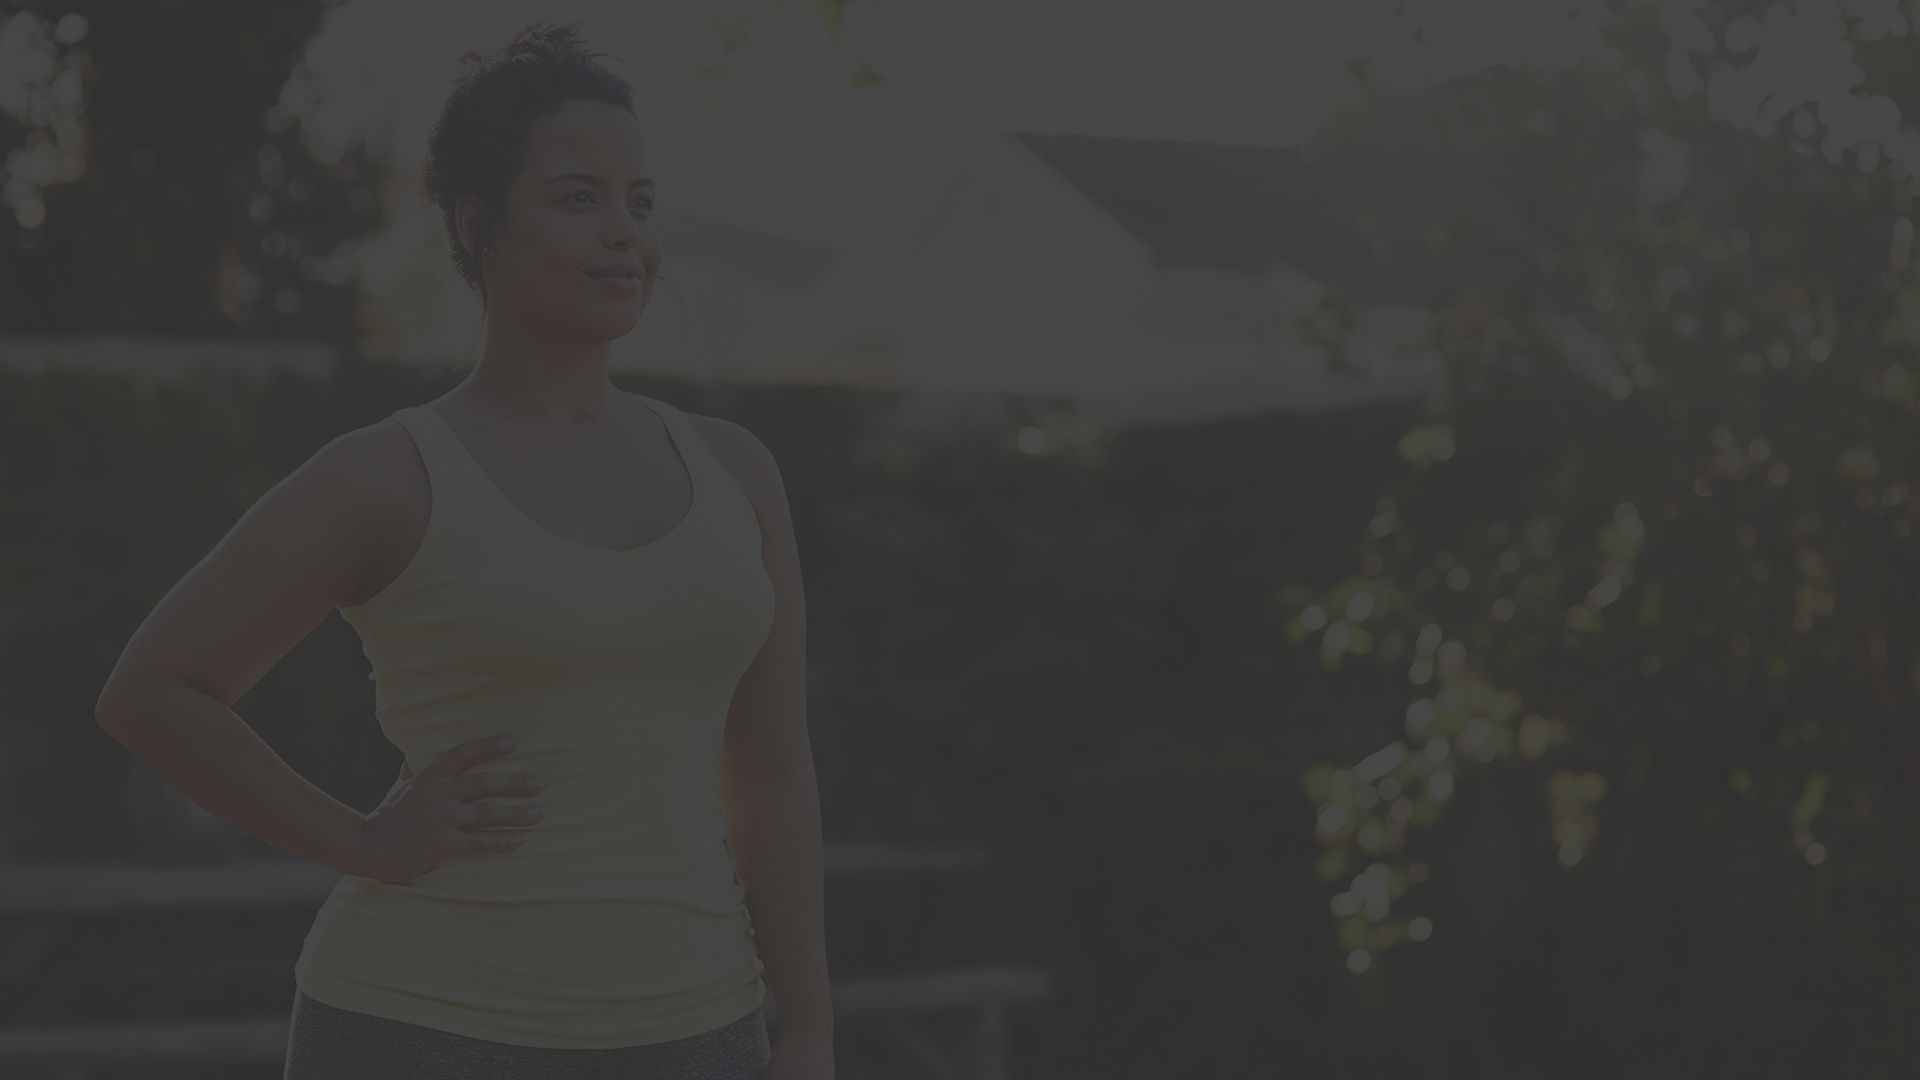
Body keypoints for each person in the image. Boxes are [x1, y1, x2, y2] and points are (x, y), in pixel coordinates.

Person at [91, 22, 835, 1080]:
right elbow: (154, 690)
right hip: (424, 1027)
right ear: (480, 223)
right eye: (579, 198)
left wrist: (807, 1029)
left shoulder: (738, 472)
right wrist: (364, 842)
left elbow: (772, 770)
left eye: (640, 200)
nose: (625, 234)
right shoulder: (386, 476)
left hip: (697, 1028)